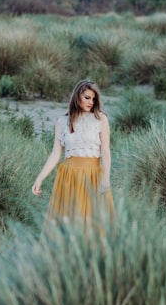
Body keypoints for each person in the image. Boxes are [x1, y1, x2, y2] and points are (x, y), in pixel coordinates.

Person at [31, 79, 113, 223]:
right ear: (77, 97)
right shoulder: (62, 122)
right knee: (69, 222)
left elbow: (105, 151)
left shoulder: (100, 119)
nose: (91, 102)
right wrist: (40, 178)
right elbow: (56, 154)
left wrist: (105, 180)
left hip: (93, 175)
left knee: (93, 222)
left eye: (93, 99)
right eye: (87, 98)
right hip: (69, 176)